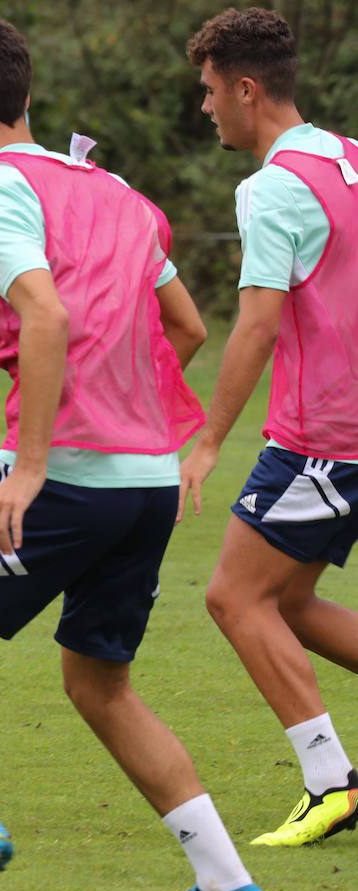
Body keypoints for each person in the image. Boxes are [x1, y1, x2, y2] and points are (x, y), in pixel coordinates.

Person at [0, 16, 270, 891]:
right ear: (28, 97)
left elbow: (44, 317)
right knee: (99, 683)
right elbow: (188, 329)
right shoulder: (113, 187)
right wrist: (126, 419)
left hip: (67, 483)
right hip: (147, 485)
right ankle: (229, 888)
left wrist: (33, 467)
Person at [181, 7, 358, 847]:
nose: (206, 106)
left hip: (321, 437)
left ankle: (332, 780)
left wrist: (209, 438)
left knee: (233, 596)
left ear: (247, 89)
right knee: (287, 600)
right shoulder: (350, 159)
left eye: (211, 91)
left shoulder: (272, 187)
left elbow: (255, 323)